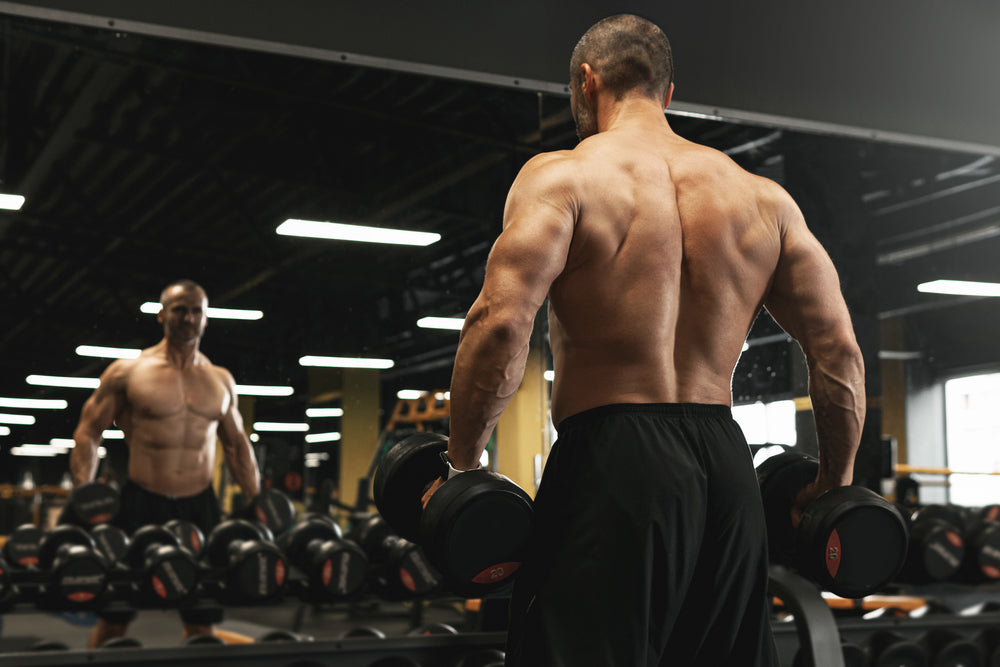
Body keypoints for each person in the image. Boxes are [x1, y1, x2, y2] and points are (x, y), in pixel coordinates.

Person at [423, 14, 865, 667]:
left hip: (611, 460)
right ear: (668, 91)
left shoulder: (562, 178)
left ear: (586, 81)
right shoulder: (763, 199)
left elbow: (500, 323)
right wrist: (833, 485)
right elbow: (839, 354)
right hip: (726, 465)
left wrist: (462, 465)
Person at [70, 279, 261, 648]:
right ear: (161, 315)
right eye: (179, 310)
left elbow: (237, 447)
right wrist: (84, 497)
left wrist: (259, 505)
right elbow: (88, 433)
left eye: (196, 311)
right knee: (115, 618)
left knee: (201, 619)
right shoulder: (129, 371)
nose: (188, 318)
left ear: (206, 318)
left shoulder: (221, 380)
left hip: (200, 507)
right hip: (141, 502)